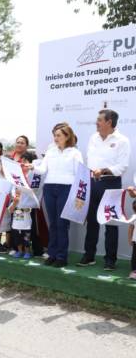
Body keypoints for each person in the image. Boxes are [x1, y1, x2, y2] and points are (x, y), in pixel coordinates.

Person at [78, 109, 131, 271]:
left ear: (109, 122)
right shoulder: (93, 138)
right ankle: (89, 256)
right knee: (92, 222)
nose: (96, 122)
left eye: (99, 120)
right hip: (93, 183)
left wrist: (104, 170)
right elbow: (89, 161)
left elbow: (123, 166)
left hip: (111, 183)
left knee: (110, 223)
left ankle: (110, 260)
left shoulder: (122, 140)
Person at [30, 123, 83, 267]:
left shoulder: (74, 152)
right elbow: (42, 169)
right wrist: (32, 167)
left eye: (59, 135)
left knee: (62, 224)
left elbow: (80, 173)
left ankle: (62, 257)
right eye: (54, 135)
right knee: (53, 223)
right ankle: (52, 255)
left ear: (67, 136)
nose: (55, 138)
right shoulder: (51, 151)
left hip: (66, 189)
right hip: (49, 188)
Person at [7, 188, 32, 259]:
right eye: (16, 194)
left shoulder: (26, 201)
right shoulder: (13, 202)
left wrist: (21, 203)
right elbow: (10, 211)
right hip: (16, 226)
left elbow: (29, 209)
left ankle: (27, 252)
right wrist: (15, 203)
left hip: (26, 226)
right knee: (17, 240)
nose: (17, 195)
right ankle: (20, 251)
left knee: (26, 241)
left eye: (19, 194)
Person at [128, 187, 136, 280]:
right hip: (135, 241)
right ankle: (134, 270)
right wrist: (129, 239)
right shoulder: (134, 217)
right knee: (135, 256)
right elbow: (130, 228)